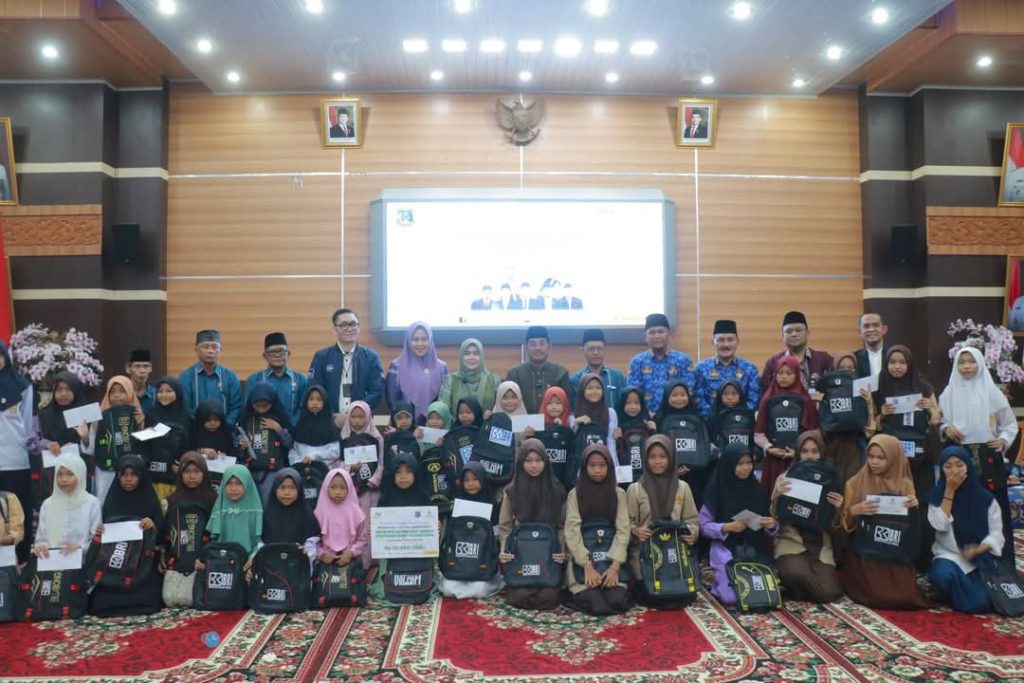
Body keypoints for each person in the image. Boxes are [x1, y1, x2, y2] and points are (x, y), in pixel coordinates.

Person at [939, 346, 1019, 554]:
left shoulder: (993, 393)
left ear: (980, 363)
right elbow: (941, 421)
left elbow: (1010, 425)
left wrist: (1002, 440)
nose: (966, 367)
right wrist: (946, 428)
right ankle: (961, 553)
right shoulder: (948, 393)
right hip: (958, 456)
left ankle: (997, 556)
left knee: (992, 506)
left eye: (971, 361)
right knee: (961, 504)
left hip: (987, 457)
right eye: (961, 362)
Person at [840, 434, 928, 609]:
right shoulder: (854, 483)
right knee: (877, 595)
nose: (875, 462)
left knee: (905, 596)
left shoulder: (905, 484)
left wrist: (913, 507)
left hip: (895, 549)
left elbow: (911, 529)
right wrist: (855, 510)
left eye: (881, 458)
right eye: (871, 457)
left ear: (894, 458)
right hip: (866, 551)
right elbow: (845, 526)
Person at [926, 445, 1004, 613]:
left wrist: (978, 549)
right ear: (942, 469)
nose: (954, 471)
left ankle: (958, 594)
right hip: (949, 556)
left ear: (968, 466)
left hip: (978, 558)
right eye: (948, 466)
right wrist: (949, 490)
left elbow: (997, 534)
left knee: (982, 602)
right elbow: (939, 524)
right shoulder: (937, 496)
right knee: (942, 576)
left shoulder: (986, 499)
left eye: (960, 465)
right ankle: (952, 591)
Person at [700, 442, 779, 606]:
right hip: (725, 548)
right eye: (740, 464)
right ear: (729, 465)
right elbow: (704, 526)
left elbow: (767, 526)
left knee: (762, 594)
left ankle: (717, 577)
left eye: (749, 463)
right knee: (732, 597)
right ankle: (716, 578)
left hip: (753, 548)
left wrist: (771, 526)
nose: (746, 468)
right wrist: (727, 527)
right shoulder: (717, 489)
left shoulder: (756, 489)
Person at [771, 431, 845, 603]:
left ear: (822, 452)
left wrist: (839, 509)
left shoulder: (831, 479)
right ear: (798, 453)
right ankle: (796, 583)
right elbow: (774, 517)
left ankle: (799, 589)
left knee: (829, 593)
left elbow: (835, 525)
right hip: (792, 541)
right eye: (805, 451)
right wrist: (777, 497)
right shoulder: (786, 478)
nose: (810, 456)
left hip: (821, 544)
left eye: (815, 451)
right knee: (794, 573)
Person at [872, 345, 941, 527]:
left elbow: (936, 418)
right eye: (892, 362)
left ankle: (920, 539)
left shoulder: (923, 387)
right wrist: (882, 414)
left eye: (902, 362)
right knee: (892, 501)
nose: (897, 366)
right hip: (889, 458)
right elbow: (870, 426)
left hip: (919, 459)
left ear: (910, 364)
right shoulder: (879, 387)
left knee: (920, 499)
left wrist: (929, 409)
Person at [498, 438, 568, 610]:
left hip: (548, 551)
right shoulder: (511, 490)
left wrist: (561, 550)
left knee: (548, 597)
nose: (534, 465)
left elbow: (561, 526)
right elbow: (505, 526)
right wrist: (504, 550)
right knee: (519, 596)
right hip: (522, 551)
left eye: (538, 460)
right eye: (528, 461)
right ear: (521, 463)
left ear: (546, 461)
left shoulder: (557, 490)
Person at [564, 444, 632, 615]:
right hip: (584, 560)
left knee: (617, 600)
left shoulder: (619, 494)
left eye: (602, 465)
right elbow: (572, 531)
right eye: (592, 465)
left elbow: (623, 530)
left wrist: (614, 567)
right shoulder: (575, 494)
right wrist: (587, 565)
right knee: (597, 604)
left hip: (611, 557)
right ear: (584, 467)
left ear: (609, 467)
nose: (597, 470)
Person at [94, 454, 164, 615]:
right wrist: (100, 532)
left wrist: (153, 526)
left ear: (141, 476)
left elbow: (161, 537)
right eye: (124, 474)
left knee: (150, 597)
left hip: (143, 562)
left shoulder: (149, 499)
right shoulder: (112, 499)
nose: (128, 479)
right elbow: (104, 537)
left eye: (133, 474)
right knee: (99, 601)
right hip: (115, 561)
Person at [369, 451, 439, 604]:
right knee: (385, 581)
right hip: (393, 552)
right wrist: (375, 530)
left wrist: (435, 528)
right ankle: (387, 582)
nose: (403, 476)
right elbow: (381, 531)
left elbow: (429, 529)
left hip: (418, 551)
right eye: (398, 472)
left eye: (408, 471)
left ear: (416, 473)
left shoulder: (423, 496)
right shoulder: (386, 498)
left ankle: (423, 581)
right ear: (392, 475)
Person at [626, 435, 699, 580]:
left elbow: (692, 520)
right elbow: (625, 523)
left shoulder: (682, 488)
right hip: (645, 554)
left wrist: (692, 532)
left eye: (663, 456)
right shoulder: (635, 489)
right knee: (648, 586)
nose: (657, 461)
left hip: (675, 551)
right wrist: (635, 531)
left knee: (680, 586)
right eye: (652, 457)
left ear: (671, 459)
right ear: (645, 459)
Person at [754, 356, 819, 495]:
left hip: (799, 460)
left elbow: (813, 433)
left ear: (797, 375)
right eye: (780, 373)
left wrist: (799, 453)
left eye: (789, 373)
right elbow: (759, 433)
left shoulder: (805, 400)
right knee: (773, 496)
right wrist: (769, 448)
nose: (784, 377)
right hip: (773, 461)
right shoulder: (767, 398)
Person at [440, 461, 504, 599]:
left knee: (479, 590)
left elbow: (497, 534)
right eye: (467, 480)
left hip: (482, 560)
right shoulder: (456, 503)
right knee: (448, 589)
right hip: (459, 560)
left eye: (475, 479)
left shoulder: (491, 504)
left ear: (483, 480)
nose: (471, 484)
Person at [308, 308, 385, 420]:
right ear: (334, 329)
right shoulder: (322, 357)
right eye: (344, 325)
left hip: (360, 421)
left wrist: (354, 414)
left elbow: (376, 391)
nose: (349, 328)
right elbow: (315, 388)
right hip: (328, 420)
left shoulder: (371, 357)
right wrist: (331, 416)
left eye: (353, 324)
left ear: (358, 328)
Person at [0, 340, 34, 561]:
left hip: (15, 460)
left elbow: (28, 424)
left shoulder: (23, 386)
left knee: (17, 510)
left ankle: (20, 559)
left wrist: (22, 442)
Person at [32, 451, 102, 559]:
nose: (64, 479)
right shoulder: (48, 504)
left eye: (70, 474)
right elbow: (41, 540)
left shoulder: (92, 503)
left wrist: (80, 548)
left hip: (82, 562)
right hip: (51, 562)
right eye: (59, 474)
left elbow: (96, 540)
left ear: (80, 475)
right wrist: (40, 548)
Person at [654, 380, 712, 509]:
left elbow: (703, 445)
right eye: (674, 395)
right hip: (668, 474)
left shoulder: (697, 417)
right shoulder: (659, 418)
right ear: (667, 397)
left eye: (682, 395)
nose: (679, 399)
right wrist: (672, 468)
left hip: (696, 475)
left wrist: (693, 466)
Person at [627, 313, 695, 416]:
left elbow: (690, 391)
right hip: (645, 418)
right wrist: (646, 415)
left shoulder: (683, 360)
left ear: (669, 335)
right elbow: (633, 394)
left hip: (676, 417)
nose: (657, 336)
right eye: (652, 332)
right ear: (646, 337)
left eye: (661, 332)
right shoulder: (637, 362)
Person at [694, 320, 761, 419]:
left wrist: (737, 418)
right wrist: (715, 418)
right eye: (721, 340)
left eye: (730, 340)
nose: (726, 345)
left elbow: (753, 400)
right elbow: (698, 400)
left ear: (737, 342)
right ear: (713, 342)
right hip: (710, 422)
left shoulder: (750, 369)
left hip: (742, 422)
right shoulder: (701, 369)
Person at [237, 382, 294, 500]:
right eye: (258, 405)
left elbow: (289, 444)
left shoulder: (280, 417)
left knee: (270, 502)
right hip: (250, 471)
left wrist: (278, 429)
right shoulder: (246, 418)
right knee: (252, 502)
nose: (261, 409)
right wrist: (240, 443)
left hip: (273, 472)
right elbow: (237, 442)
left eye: (265, 405)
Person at [95, 376, 146, 502]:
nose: (117, 395)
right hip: (106, 473)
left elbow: (144, 447)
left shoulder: (138, 415)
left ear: (130, 392)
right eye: (112, 392)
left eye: (122, 391)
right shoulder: (99, 417)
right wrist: (85, 437)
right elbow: (92, 448)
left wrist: (140, 425)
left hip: (131, 473)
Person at [385, 321, 449, 423]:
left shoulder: (442, 368)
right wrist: (405, 424)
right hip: (403, 425)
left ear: (430, 340)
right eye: (415, 339)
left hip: (434, 425)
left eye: (424, 339)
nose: (420, 343)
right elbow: (393, 402)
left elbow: (444, 401)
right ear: (408, 341)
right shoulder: (396, 366)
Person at [200, 464, 263, 567]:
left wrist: (254, 558)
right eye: (229, 483)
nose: (233, 488)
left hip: (248, 563)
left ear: (247, 484)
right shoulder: (219, 508)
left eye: (239, 483)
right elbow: (213, 540)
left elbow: (259, 542)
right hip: (221, 562)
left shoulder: (255, 510)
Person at [179, 330, 243, 426]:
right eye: (205, 347)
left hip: (225, 430)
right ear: (196, 350)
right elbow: (185, 408)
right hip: (195, 430)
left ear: (220, 349)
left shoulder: (230, 377)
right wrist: (202, 425)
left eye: (214, 347)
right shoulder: (186, 377)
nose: (210, 351)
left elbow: (236, 407)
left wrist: (225, 426)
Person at [506, 326, 574, 415]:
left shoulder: (561, 373)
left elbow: (568, 404)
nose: (537, 348)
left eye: (542, 343)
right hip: (521, 422)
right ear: (526, 348)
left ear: (549, 347)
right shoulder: (515, 374)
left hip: (554, 422)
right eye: (532, 344)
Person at [761, 311, 834, 394]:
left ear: (807, 333)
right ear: (783, 336)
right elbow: (766, 393)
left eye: (798, 330)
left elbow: (834, 389)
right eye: (788, 331)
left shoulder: (824, 359)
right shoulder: (773, 363)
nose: (794, 334)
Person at [144, 376, 192, 502]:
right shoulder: (151, 415)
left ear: (177, 393)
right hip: (155, 475)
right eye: (160, 391)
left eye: (169, 391)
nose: (164, 395)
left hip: (178, 474)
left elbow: (190, 445)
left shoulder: (186, 416)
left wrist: (182, 464)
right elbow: (146, 445)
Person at [245, 332, 308, 428]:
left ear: (288, 354)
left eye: (282, 351)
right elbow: (247, 410)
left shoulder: (300, 380)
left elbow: (304, 408)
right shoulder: (254, 380)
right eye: (273, 352)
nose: (278, 355)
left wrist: (289, 426)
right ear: (265, 356)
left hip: (295, 430)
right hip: (262, 430)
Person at [314, 468, 367, 574]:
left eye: (343, 488)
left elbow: (362, 540)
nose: (337, 492)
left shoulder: (356, 513)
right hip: (325, 564)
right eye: (333, 487)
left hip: (351, 563)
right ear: (325, 488)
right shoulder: (319, 513)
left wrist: (351, 553)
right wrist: (322, 554)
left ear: (350, 489)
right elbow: (314, 541)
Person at [261, 468, 320, 555]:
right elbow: (261, 542)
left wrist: (307, 551)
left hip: (298, 560)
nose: (287, 492)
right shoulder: (267, 515)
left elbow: (312, 539)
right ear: (275, 489)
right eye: (282, 488)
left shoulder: (306, 515)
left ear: (299, 490)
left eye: (292, 488)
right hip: (271, 559)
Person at [438, 338, 502, 417]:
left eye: (476, 353)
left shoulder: (494, 380)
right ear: (461, 356)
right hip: (457, 425)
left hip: (488, 424)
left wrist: (492, 417)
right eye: (467, 353)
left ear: (481, 356)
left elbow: (501, 409)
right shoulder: (450, 381)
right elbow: (443, 413)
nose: (471, 357)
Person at [570, 329, 627, 410]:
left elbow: (624, 406)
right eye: (591, 349)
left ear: (605, 350)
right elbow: (574, 409)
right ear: (583, 350)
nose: (595, 352)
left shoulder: (617, 377)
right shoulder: (576, 379)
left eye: (599, 348)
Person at [289, 385, 341, 468]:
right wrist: (300, 461)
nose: (315, 402)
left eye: (319, 399)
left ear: (324, 402)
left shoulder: (330, 425)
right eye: (311, 399)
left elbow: (335, 452)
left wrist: (314, 457)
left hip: (325, 468)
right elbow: (293, 451)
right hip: (301, 467)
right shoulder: (301, 424)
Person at [571, 373, 618, 461]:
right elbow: (570, 442)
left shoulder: (610, 413)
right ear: (582, 391)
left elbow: (611, 443)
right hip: (580, 463)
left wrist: (613, 464)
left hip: (603, 461)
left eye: (598, 388)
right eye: (590, 388)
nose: (594, 391)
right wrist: (576, 423)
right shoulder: (574, 415)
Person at [854, 313, 889, 379]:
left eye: (875, 325)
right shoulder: (854, 359)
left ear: (884, 329)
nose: (871, 329)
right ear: (860, 332)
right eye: (866, 326)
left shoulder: (893, 356)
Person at [126, 348, 156, 414]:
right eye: (137, 366)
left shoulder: (156, 395)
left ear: (150, 368)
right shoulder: (122, 394)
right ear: (128, 368)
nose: (142, 371)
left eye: (146, 366)